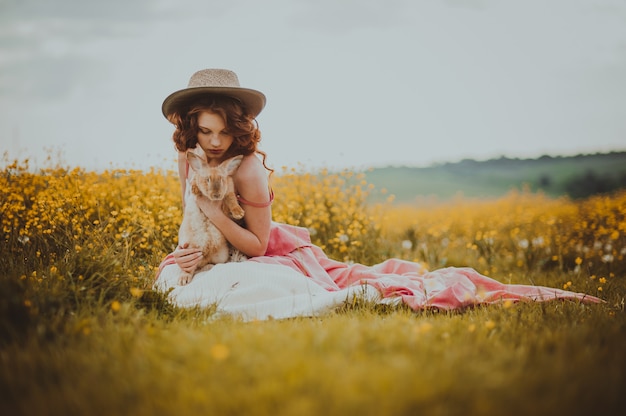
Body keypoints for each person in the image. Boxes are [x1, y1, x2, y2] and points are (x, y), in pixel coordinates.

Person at [154, 68, 601, 321]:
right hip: (217, 252)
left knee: (250, 295)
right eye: (206, 132)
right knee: (173, 285)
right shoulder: (188, 157)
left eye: (225, 132)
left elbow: (255, 243)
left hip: (260, 251)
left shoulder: (249, 169)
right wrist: (187, 253)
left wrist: (215, 211)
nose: (215, 143)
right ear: (191, 129)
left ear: (240, 128)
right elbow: (189, 223)